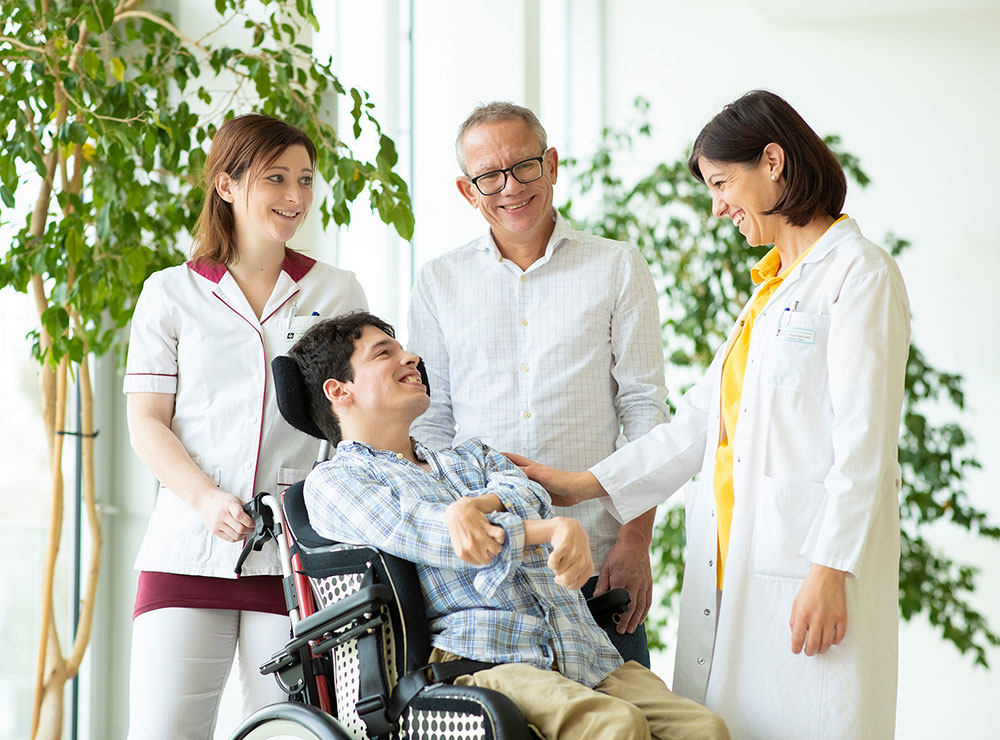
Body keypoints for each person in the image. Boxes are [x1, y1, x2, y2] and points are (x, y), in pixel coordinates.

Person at [509, 90, 910, 739]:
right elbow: (700, 423)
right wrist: (583, 484)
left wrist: (831, 568)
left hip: (806, 572)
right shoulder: (772, 290)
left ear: (773, 162)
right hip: (739, 565)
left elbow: (865, 442)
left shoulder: (858, 275)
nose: (717, 206)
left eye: (722, 183)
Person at [291, 311, 730, 740]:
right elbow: (441, 537)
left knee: (706, 730)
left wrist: (479, 504)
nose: (411, 358)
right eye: (385, 353)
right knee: (616, 728)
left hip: (581, 650)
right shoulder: (334, 482)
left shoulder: (471, 456)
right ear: (338, 390)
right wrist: (552, 530)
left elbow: (529, 494)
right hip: (480, 659)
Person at [123, 113, 368, 739]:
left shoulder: (335, 292)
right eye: (275, 179)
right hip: (188, 553)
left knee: (288, 734)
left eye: (305, 180)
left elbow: (354, 421)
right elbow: (148, 422)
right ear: (227, 185)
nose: (295, 198)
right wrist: (205, 499)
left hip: (296, 560)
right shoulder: (169, 293)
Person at [408, 101, 668, 666]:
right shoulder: (438, 281)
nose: (511, 187)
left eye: (524, 166)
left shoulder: (618, 266)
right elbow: (431, 422)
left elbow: (646, 410)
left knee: (628, 725)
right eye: (489, 176)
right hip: (484, 582)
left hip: (598, 566)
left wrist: (635, 540)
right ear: (467, 190)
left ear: (551, 165)